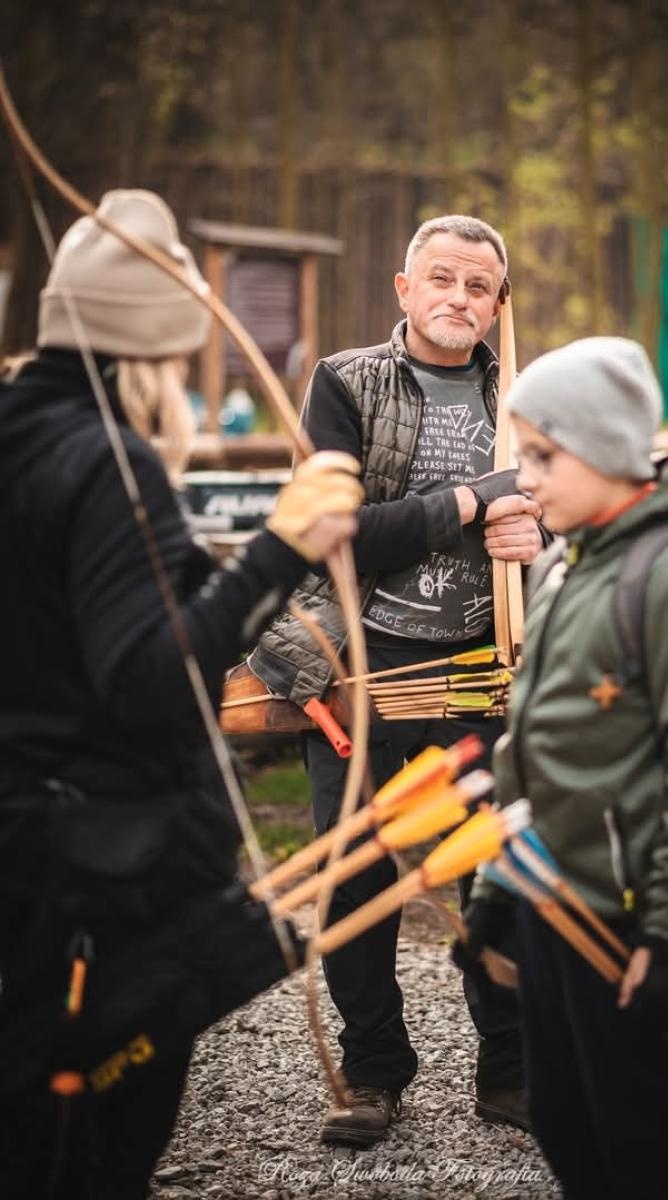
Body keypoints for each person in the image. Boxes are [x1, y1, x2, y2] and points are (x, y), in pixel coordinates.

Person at [0, 189, 362, 1199]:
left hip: (27, 865)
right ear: (149, 358)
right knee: (83, 1156)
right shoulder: (109, 461)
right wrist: (284, 547)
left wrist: (226, 573)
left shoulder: (21, 431)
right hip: (97, 888)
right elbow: (153, 683)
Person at [248, 215, 544, 1145]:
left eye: (479, 287)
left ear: (499, 304)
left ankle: (511, 1072)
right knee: (356, 878)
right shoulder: (346, 382)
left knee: (497, 878)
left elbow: (561, 517)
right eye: (442, 280)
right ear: (402, 288)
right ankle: (373, 1074)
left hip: (488, 671)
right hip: (358, 670)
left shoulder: (528, 401)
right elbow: (330, 530)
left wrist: (538, 538)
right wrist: (466, 502)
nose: (459, 299)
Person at [474, 337, 668, 1199]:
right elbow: (523, 748)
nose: (527, 479)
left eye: (542, 456)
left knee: (645, 1135)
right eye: (524, 457)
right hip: (551, 908)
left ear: (602, 449)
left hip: (629, 925)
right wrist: (493, 894)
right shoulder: (561, 568)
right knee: (564, 1118)